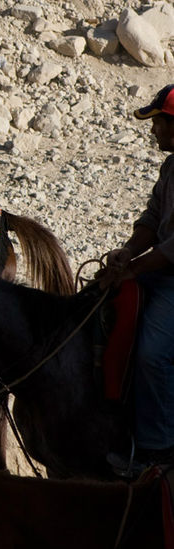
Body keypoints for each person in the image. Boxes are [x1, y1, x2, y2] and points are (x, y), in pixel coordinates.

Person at [102, 84, 174, 475]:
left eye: (159, 123)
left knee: (152, 353)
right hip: (161, 272)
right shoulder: (171, 168)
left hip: (172, 279)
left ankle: (157, 449)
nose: (154, 132)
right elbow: (151, 220)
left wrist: (136, 268)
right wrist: (128, 253)